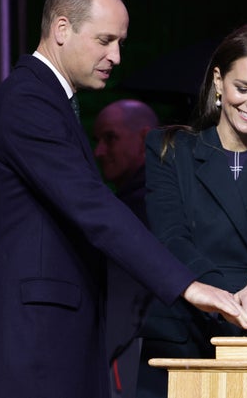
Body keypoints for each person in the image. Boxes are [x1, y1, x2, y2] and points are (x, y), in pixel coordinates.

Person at [0, 0, 247, 398]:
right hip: (27, 345)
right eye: (105, 40)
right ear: (62, 29)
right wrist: (187, 285)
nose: (116, 56)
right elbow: (93, 207)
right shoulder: (26, 100)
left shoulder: (44, 98)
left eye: (120, 42)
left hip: (44, 338)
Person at [138, 23, 247, 398]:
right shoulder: (170, 148)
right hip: (180, 334)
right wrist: (221, 294)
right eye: (244, 88)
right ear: (218, 81)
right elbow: (170, 238)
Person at [93, 99, 160, 398]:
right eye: (98, 140)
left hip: (133, 360)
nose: (99, 152)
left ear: (145, 138)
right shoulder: (129, 204)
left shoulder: (149, 206)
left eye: (111, 138)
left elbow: (123, 299)